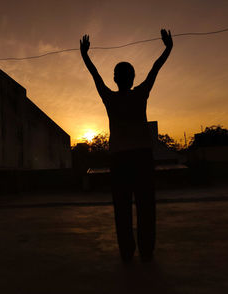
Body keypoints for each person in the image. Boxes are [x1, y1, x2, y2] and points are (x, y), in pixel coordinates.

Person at [80, 30, 173, 262]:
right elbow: (155, 69)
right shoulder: (140, 94)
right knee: (145, 206)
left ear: (115, 79)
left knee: (122, 208)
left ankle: (126, 251)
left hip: (121, 159)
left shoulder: (111, 98)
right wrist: (168, 48)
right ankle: (146, 250)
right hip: (141, 157)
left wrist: (85, 55)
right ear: (132, 78)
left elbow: (95, 75)